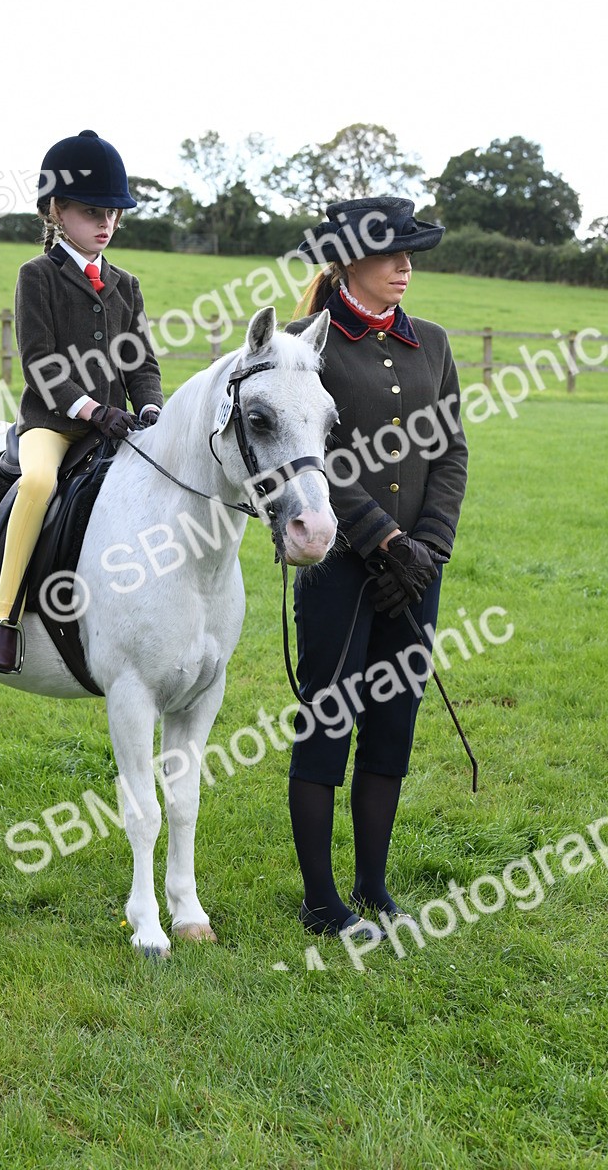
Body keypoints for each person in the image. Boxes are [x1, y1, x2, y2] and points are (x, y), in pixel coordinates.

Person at [285, 197, 468, 941]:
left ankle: (372, 886)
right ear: (348, 261)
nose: (405, 267)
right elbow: (312, 454)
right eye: (392, 253)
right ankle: (323, 902)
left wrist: (426, 550)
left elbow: (450, 450)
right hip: (337, 566)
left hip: (415, 571)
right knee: (329, 724)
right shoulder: (306, 343)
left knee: (392, 727)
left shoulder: (434, 341)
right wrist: (383, 539)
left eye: (410, 253)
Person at [0, 130, 164, 674]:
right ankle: (3, 617)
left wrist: (150, 408)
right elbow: (39, 361)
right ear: (56, 211)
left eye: (113, 213)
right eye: (90, 211)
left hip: (118, 424)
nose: (106, 224)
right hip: (53, 425)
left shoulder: (126, 284)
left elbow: (141, 363)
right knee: (38, 483)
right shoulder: (36, 276)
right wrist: (90, 409)